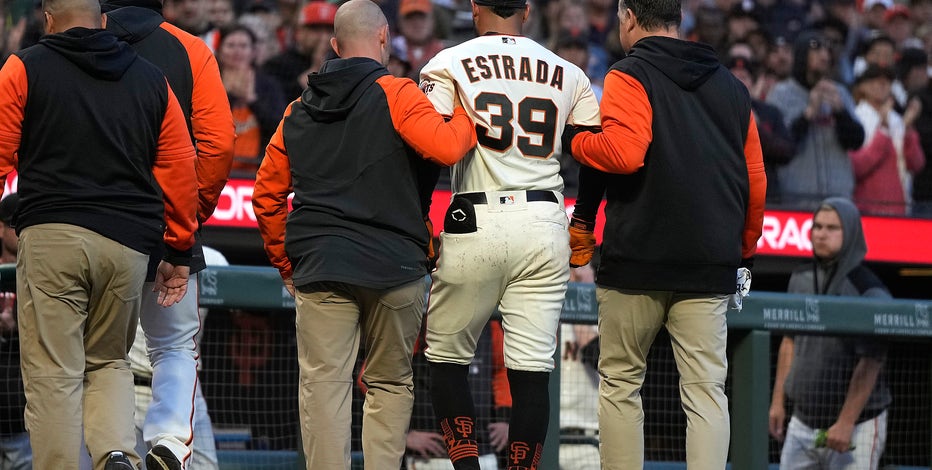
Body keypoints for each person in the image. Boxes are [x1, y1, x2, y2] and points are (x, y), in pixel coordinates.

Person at [250, 0, 477, 468]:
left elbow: (266, 196)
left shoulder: (297, 108)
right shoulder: (398, 93)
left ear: (334, 46)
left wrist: (285, 263)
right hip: (395, 268)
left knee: (324, 386)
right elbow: (449, 147)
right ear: (384, 38)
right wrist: (465, 113)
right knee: (390, 384)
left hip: (321, 268)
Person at [564, 1, 766, 468]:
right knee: (706, 392)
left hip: (638, 258)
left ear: (629, 16)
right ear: (677, 19)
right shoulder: (733, 88)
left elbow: (624, 155)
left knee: (620, 384)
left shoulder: (628, 73)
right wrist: (746, 251)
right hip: (711, 260)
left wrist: (574, 139)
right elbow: (755, 178)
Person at [0, 0, 198, 467]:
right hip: (128, 245)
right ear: (103, 20)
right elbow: (180, 167)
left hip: (54, 235)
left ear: (48, 20)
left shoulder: (24, 67)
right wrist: (180, 248)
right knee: (110, 360)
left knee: (54, 371)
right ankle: (114, 451)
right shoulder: (152, 78)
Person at [417, 0, 601, 466]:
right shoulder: (569, 70)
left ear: (475, 9)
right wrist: (583, 223)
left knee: (445, 358)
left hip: (474, 215)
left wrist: (421, 216)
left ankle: (465, 465)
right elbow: (595, 157)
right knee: (534, 371)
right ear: (527, 10)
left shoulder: (448, 61)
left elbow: (428, 148)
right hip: (544, 222)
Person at [102, 0, 236, 467]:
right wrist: (190, 213)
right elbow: (219, 144)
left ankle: (114, 449)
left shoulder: (70, 44)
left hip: (90, 222)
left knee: (96, 355)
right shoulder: (189, 48)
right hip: (165, 221)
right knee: (175, 345)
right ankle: (170, 441)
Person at [769, 197, 892, 470]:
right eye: (817, 226)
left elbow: (871, 361)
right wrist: (778, 401)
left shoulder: (867, 289)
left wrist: (847, 421)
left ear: (849, 233)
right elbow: (789, 341)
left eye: (831, 228)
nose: (821, 234)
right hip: (803, 420)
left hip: (856, 425)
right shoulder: (800, 278)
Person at [766, 30, 865, 209]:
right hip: (796, 200)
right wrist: (807, 115)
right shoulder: (780, 94)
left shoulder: (839, 92)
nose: (824, 55)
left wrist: (841, 113)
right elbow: (779, 146)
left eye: (827, 50)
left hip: (838, 201)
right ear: (802, 55)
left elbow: (857, 142)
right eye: (816, 49)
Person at [403, 321, 511, 470]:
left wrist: (505, 418)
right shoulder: (418, 323)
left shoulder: (490, 327)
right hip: (428, 457)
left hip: (482, 452)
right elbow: (381, 378)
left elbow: (503, 371)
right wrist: (404, 434)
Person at [848, 64, 925, 216]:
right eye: (875, 80)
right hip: (867, 209)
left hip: (900, 208)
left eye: (887, 81)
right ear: (862, 87)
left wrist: (908, 129)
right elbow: (856, 167)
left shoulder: (897, 120)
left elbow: (916, 164)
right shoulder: (855, 118)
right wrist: (883, 130)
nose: (882, 85)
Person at [217, 23, 288, 176]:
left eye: (243, 46)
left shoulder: (269, 85)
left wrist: (252, 100)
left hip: (258, 171)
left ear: (253, 52)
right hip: (217, 170)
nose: (237, 51)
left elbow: (279, 128)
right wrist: (230, 96)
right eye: (231, 45)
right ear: (220, 50)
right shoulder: (210, 81)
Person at [0, 193, 30, 470]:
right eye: (14, 226)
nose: (21, 233)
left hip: (19, 412)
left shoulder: (42, 277)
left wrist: (14, 329)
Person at [262, 1, 338, 100]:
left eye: (328, 30)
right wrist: (315, 70)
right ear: (299, 32)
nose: (323, 37)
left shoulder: (342, 60)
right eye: (315, 29)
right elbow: (278, 104)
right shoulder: (278, 64)